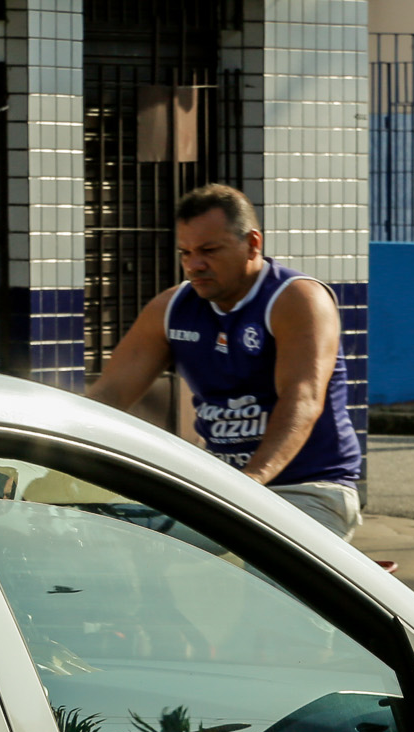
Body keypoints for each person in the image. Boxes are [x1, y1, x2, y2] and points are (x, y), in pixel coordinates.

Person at [88, 183, 364, 540]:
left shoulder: (296, 299)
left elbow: (303, 399)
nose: (194, 264)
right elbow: (108, 395)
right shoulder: (172, 308)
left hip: (307, 488)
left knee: (264, 583)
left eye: (209, 250)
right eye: (185, 253)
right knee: (109, 540)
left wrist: (249, 483)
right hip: (224, 492)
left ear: (253, 244)